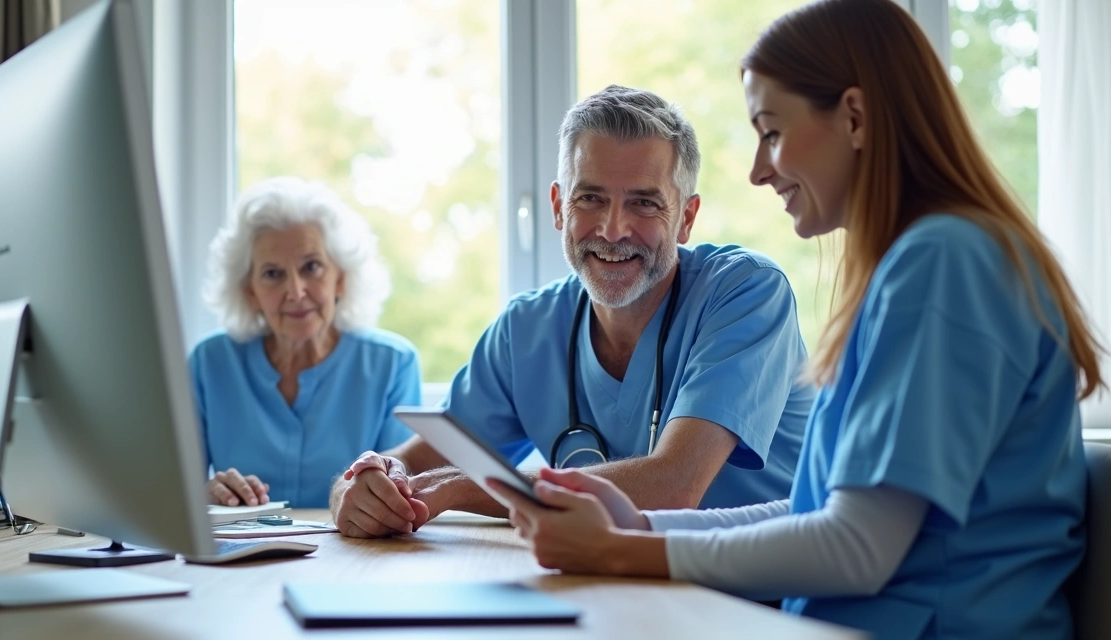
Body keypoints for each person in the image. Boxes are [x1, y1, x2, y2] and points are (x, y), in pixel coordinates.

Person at [487, 1, 1106, 638]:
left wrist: (622, 551)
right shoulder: (920, 263)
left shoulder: (944, 265)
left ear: (855, 118)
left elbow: (857, 549)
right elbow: (823, 512)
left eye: (773, 132)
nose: (759, 170)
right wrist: (640, 525)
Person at [331, 85, 815, 539]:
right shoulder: (527, 330)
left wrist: (462, 486)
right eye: (591, 198)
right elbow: (411, 464)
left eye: (644, 203)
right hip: (614, 585)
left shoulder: (747, 293)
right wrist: (359, 488)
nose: (612, 228)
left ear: (686, 218)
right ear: (560, 208)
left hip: (762, 599)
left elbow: (675, 486)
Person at [190, 176, 421, 508]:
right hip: (241, 556)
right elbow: (174, 492)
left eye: (311, 267)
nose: (296, 292)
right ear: (250, 290)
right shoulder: (208, 362)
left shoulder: (393, 364)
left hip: (357, 553)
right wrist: (205, 494)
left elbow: (397, 488)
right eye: (273, 274)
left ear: (340, 279)